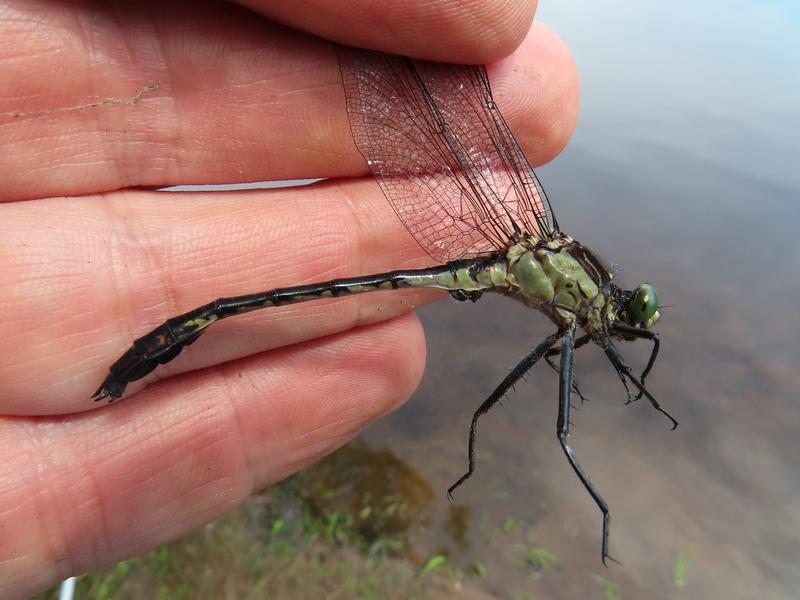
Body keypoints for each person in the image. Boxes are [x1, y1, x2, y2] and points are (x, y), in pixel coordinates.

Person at [0, 1, 577, 595]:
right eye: (631, 309)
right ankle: (178, 333)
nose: (626, 321)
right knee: (237, 308)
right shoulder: (570, 292)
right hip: (487, 254)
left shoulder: (573, 294)